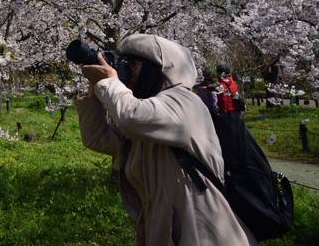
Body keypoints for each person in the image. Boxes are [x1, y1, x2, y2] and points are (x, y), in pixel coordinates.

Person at [75, 34, 255, 246]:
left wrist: (109, 82)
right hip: (164, 221)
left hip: (200, 225)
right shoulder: (151, 110)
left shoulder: (183, 101)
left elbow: (130, 117)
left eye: (135, 63)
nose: (128, 70)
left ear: (160, 69)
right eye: (126, 62)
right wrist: (94, 88)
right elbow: (97, 138)